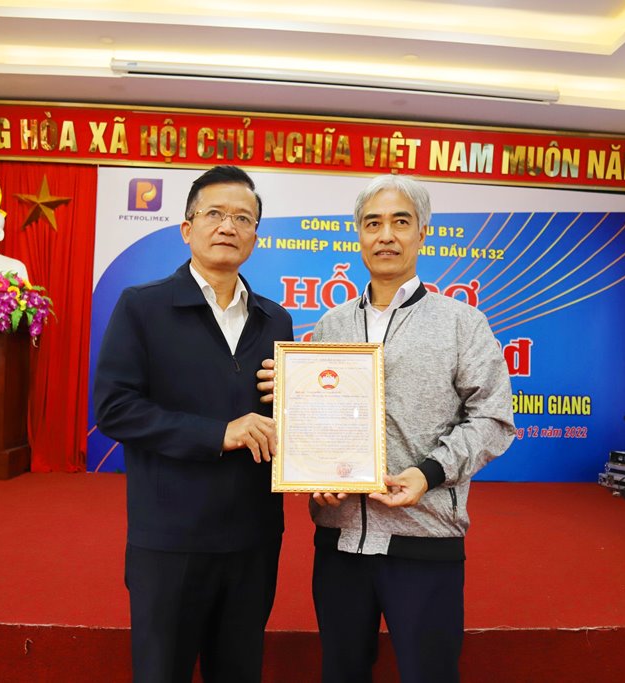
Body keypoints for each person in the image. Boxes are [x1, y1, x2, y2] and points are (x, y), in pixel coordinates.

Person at [259, 174, 515, 682]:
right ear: (359, 234)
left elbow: (493, 419)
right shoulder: (331, 325)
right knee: (342, 672)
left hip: (424, 537)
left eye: (401, 222)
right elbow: (318, 420)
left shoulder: (462, 323)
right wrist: (313, 468)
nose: (386, 235)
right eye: (373, 223)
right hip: (340, 544)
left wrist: (429, 472)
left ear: (422, 233)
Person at [93, 165, 293, 683]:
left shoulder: (276, 320)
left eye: (243, 218)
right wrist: (217, 433)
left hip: (253, 537)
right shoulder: (143, 307)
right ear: (187, 228)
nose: (228, 226)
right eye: (214, 214)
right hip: (171, 537)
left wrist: (300, 411)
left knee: (239, 671)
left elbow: (280, 420)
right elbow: (114, 408)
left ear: (255, 236)